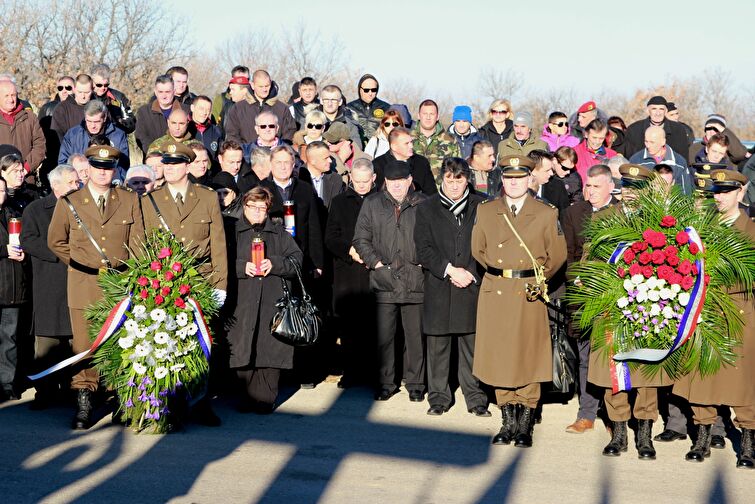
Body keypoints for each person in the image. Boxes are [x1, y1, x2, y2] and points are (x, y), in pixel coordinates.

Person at [472, 154, 566, 448]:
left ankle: (525, 420)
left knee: (528, 355)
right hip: (497, 289)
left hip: (529, 291)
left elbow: (558, 254)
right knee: (500, 355)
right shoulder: (486, 210)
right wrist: (502, 272)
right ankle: (507, 418)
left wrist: (539, 280)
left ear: (530, 179)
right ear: (502, 180)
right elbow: (478, 249)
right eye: (509, 178)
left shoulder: (546, 212)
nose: (514, 183)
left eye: (520, 178)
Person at [47, 145, 144, 430]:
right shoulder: (71, 201)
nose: (103, 172)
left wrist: (129, 276)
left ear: (115, 170)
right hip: (83, 283)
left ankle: (117, 398)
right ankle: (84, 398)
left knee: (117, 340)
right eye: (98, 167)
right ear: (87, 169)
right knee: (84, 344)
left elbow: (138, 242)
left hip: (119, 282)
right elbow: (56, 241)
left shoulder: (128, 200)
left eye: (108, 167)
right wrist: (79, 264)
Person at [140, 141, 228, 427]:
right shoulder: (151, 200)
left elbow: (218, 244)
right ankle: (172, 404)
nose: (169, 168)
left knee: (201, 343)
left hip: (200, 281)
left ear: (188, 166)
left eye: (176, 164)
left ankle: (201, 402)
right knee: (169, 345)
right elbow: (144, 247)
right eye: (166, 163)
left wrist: (221, 284)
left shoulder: (206, 197)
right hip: (164, 282)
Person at [673, 169, 755, 469]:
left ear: (741, 193)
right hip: (705, 310)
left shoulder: (751, 230)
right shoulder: (702, 229)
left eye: (726, 191)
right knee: (702, 376)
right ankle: (702, 438)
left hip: (739, 311)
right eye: (716, 191)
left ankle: (748, 443)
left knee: (743, 380)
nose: (719, 197)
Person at [588, 164, 668, 459]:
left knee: (646, 373)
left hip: (649, 310)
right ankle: (619, 432)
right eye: (628, 188)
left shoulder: (661, 224)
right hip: (612, 308)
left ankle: (644, 435)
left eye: (638, 189)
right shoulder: (605, 219)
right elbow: (590, 257)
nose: (632, 194)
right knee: (614, 373)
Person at [415, 157, 489, 417]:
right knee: (438, 347)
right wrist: (449, 270)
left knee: (472, 346)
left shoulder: (482, 205)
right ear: (442, 180)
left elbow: (487, 246)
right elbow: (423, 248)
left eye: (459, 179)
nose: (455, 185)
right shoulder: (426, 208)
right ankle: (438, 397)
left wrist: (470, 272)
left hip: (471, 284)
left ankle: (476, 397)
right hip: (440, 284)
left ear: (467, 178)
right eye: (449, 179)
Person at [353, 159, 427, 402]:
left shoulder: (424, 203)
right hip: (384, 280)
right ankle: (386, 382)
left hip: (415, 280)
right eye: (392, 182)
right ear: (385, 182)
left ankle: (415, 383)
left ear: (409, 181)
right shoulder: (372, 204)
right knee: (385, 337)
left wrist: (421, 261)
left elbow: (433, 239)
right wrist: (376, 264)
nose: (397, 186)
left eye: (401, 182)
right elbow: (361, 239)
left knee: (415, 337)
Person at [226, 186, 302, 413]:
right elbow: (222, 262)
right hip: (243, 300)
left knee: (269, 348)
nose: (258, 211)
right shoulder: (233, 232)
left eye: (263, 207)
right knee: (242, 345)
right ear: (244, 206)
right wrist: (242, 267)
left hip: (272, 300)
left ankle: (265, 398)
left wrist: (275, 264)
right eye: (253, 206)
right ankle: (245, 395)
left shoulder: (280, 234)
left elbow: (297, 261)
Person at [559, 164, 617, 433]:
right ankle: (587, 413)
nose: (590, 191)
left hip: (614, 297)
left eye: (596, 186)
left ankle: (614, 414)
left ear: (610, 187)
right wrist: (576, 280)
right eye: (587, 186)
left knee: (611, 358)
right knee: (585, 357)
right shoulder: (573, 212)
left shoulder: (623, 215)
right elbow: (568, 253)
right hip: (583, 295)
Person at [20, 164, 79, 408]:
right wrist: (59, 253)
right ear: (56, 185)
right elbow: (28, 239)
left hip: (75, 280)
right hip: (48, 281)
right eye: (72, 182)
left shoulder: (81, 207)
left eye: (77, 182)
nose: (77, 186)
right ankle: (44, 391)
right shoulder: (36, 209)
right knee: (46, 342)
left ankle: (70, 388)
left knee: (73, 341)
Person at [324, 159, 377, 388]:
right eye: (358, 181)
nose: (362, 185)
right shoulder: (339, 202)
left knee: (374, 325)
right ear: (350, 179)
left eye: (366, 181)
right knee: (349, 325)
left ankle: (374, 374)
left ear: (374, 178)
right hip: (348, 272)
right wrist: (350, 250)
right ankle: (351, 372)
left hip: (375, 271)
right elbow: (330, 237)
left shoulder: (382, 201)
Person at [0, 175, 29, 402]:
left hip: (11, 287)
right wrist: (3, 250)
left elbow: (27, 239)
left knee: (9, 338)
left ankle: (7, 383)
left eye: (1, 191)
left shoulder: (14, 213)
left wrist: (23, 252)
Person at [58, 100, 129, 180]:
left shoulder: (118, 135)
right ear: (85, 117)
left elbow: (123, 166)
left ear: (104, 117)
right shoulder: (73, 134)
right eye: (89, 121)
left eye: (96, 122)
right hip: (79, 183)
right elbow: (63, 164)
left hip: (108, 183)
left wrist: (115, 182)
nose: (92, 126)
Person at [225, 70, 297, 147]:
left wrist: (279, 150)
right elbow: (232, 135)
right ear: (252, 85)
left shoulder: (282, 108)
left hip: (275, 155)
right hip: (247, 156)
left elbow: (289, 132)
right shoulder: (238, 108)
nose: (264, 89)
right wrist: (244, 152)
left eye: (267, 86)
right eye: (261, 86)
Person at [622, 96, 691, 164]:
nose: (658, 113)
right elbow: (629, 158)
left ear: (666, 111)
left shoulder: (678, 129)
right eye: (654, 109)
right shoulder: (634, 130)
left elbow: (683, 159)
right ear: (647, 111)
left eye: (661, 109)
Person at [135, 74, 189, 158]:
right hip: (153, 160)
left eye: (167, 92)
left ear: (174, 91)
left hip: (180, 159)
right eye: (160, 92)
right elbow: (141, 136)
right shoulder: (144, 111)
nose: (164, 96)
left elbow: (190, 136)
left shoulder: (186, 111)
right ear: (155, 92)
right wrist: (155, 153)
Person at [628, 125, 692, 195]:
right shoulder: (636, 161)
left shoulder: (679, 162)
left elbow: (686, 193)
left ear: (663, 142)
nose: (648, 145)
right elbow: (630, 189)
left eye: (652, 142)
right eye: (646, 141)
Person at [373, 127, 437, 196]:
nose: (411, 146)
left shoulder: (421, 162)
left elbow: (431, 194)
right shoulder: (378, 165)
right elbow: (376, 196)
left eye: (411, 142)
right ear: (394, 146)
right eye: (406, 143)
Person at [0, 81, 46, 175]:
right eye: (6, 95)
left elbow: (40, 145)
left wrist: (25, 169)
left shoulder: (30, 117)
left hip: (26, 178)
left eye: (13, 95)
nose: (11, 99)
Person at [412, 99, 460, 182]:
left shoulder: (450, 140)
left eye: (432, 114)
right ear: (418, 116)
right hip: (414, 192)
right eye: (425, 114)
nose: (428, 117)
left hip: (440, 191)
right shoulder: (408, 139)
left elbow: (458, 169)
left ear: (437, 117)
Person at [90, 64, 136, 134]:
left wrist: (117, 125)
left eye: (106, 85)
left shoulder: (119, 97)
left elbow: (132, 122)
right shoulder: (86, 97)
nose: (103, 88)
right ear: (92, 82)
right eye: (99, 85)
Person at [299, 141, 345, 210]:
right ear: (312, 161)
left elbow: (340, 209)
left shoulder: (336, 179)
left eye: (329, 157)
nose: (330, 161)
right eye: (325, 158)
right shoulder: (297, 178)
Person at [347, 73, 391, 144]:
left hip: (379, 149)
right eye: (366, 90)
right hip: (356, 149)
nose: (370, 93)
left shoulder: (387, 108)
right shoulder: (349, 107)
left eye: (373, 90)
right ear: (360, 89)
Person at [50, 74, 93, 143]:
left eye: (87, 92)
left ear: (92, 90)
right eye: (80, 92)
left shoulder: (98, 107)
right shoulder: (61, 109)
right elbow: (57, 138)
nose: (83, 96)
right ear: (74, 89)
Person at [318, 85, 363, 149]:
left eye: (333, 100)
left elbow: (357, 148)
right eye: (326, 99)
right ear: (321, 101)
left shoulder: (350, 124)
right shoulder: (312, 121)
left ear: (340, 102)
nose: (330, 103)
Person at [574, 119, 618, 183]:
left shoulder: (612, 155)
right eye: (594, 137)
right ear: (586, 134)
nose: (597, 142)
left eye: (601, 138)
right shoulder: (574, 152)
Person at [189, 95, 223, 167]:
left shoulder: (216, 131)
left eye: (208, 110)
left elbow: (220, 154)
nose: (205, 113)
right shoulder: (186, 129)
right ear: (192, 108)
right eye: (201, 108)